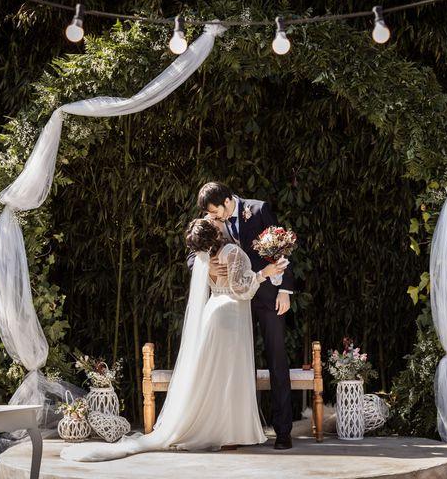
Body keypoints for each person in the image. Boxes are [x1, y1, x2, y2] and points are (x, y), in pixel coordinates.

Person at [61, 219, 287, 462]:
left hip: (214, 311)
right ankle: (228, 433)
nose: (217, 221)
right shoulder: (231, 252)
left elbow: (222, 284)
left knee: (215, 375)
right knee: (228, 375)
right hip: (230, 314)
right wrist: (265, 273)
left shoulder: (207, 260)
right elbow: (242, 289)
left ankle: (222, 430)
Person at [188, 181, 295, 450]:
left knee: (276, 359)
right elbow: (192, 255)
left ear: (227, 201)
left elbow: (282, 249)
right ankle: (234, 429)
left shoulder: (258, 210)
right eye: (209, 215)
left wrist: (285, 289)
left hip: (267, 296)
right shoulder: (211, 220)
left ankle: (283, 432)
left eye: (214, 212)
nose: (212, 218)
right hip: (233, 304)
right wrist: (208, 264)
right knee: (233, 367)